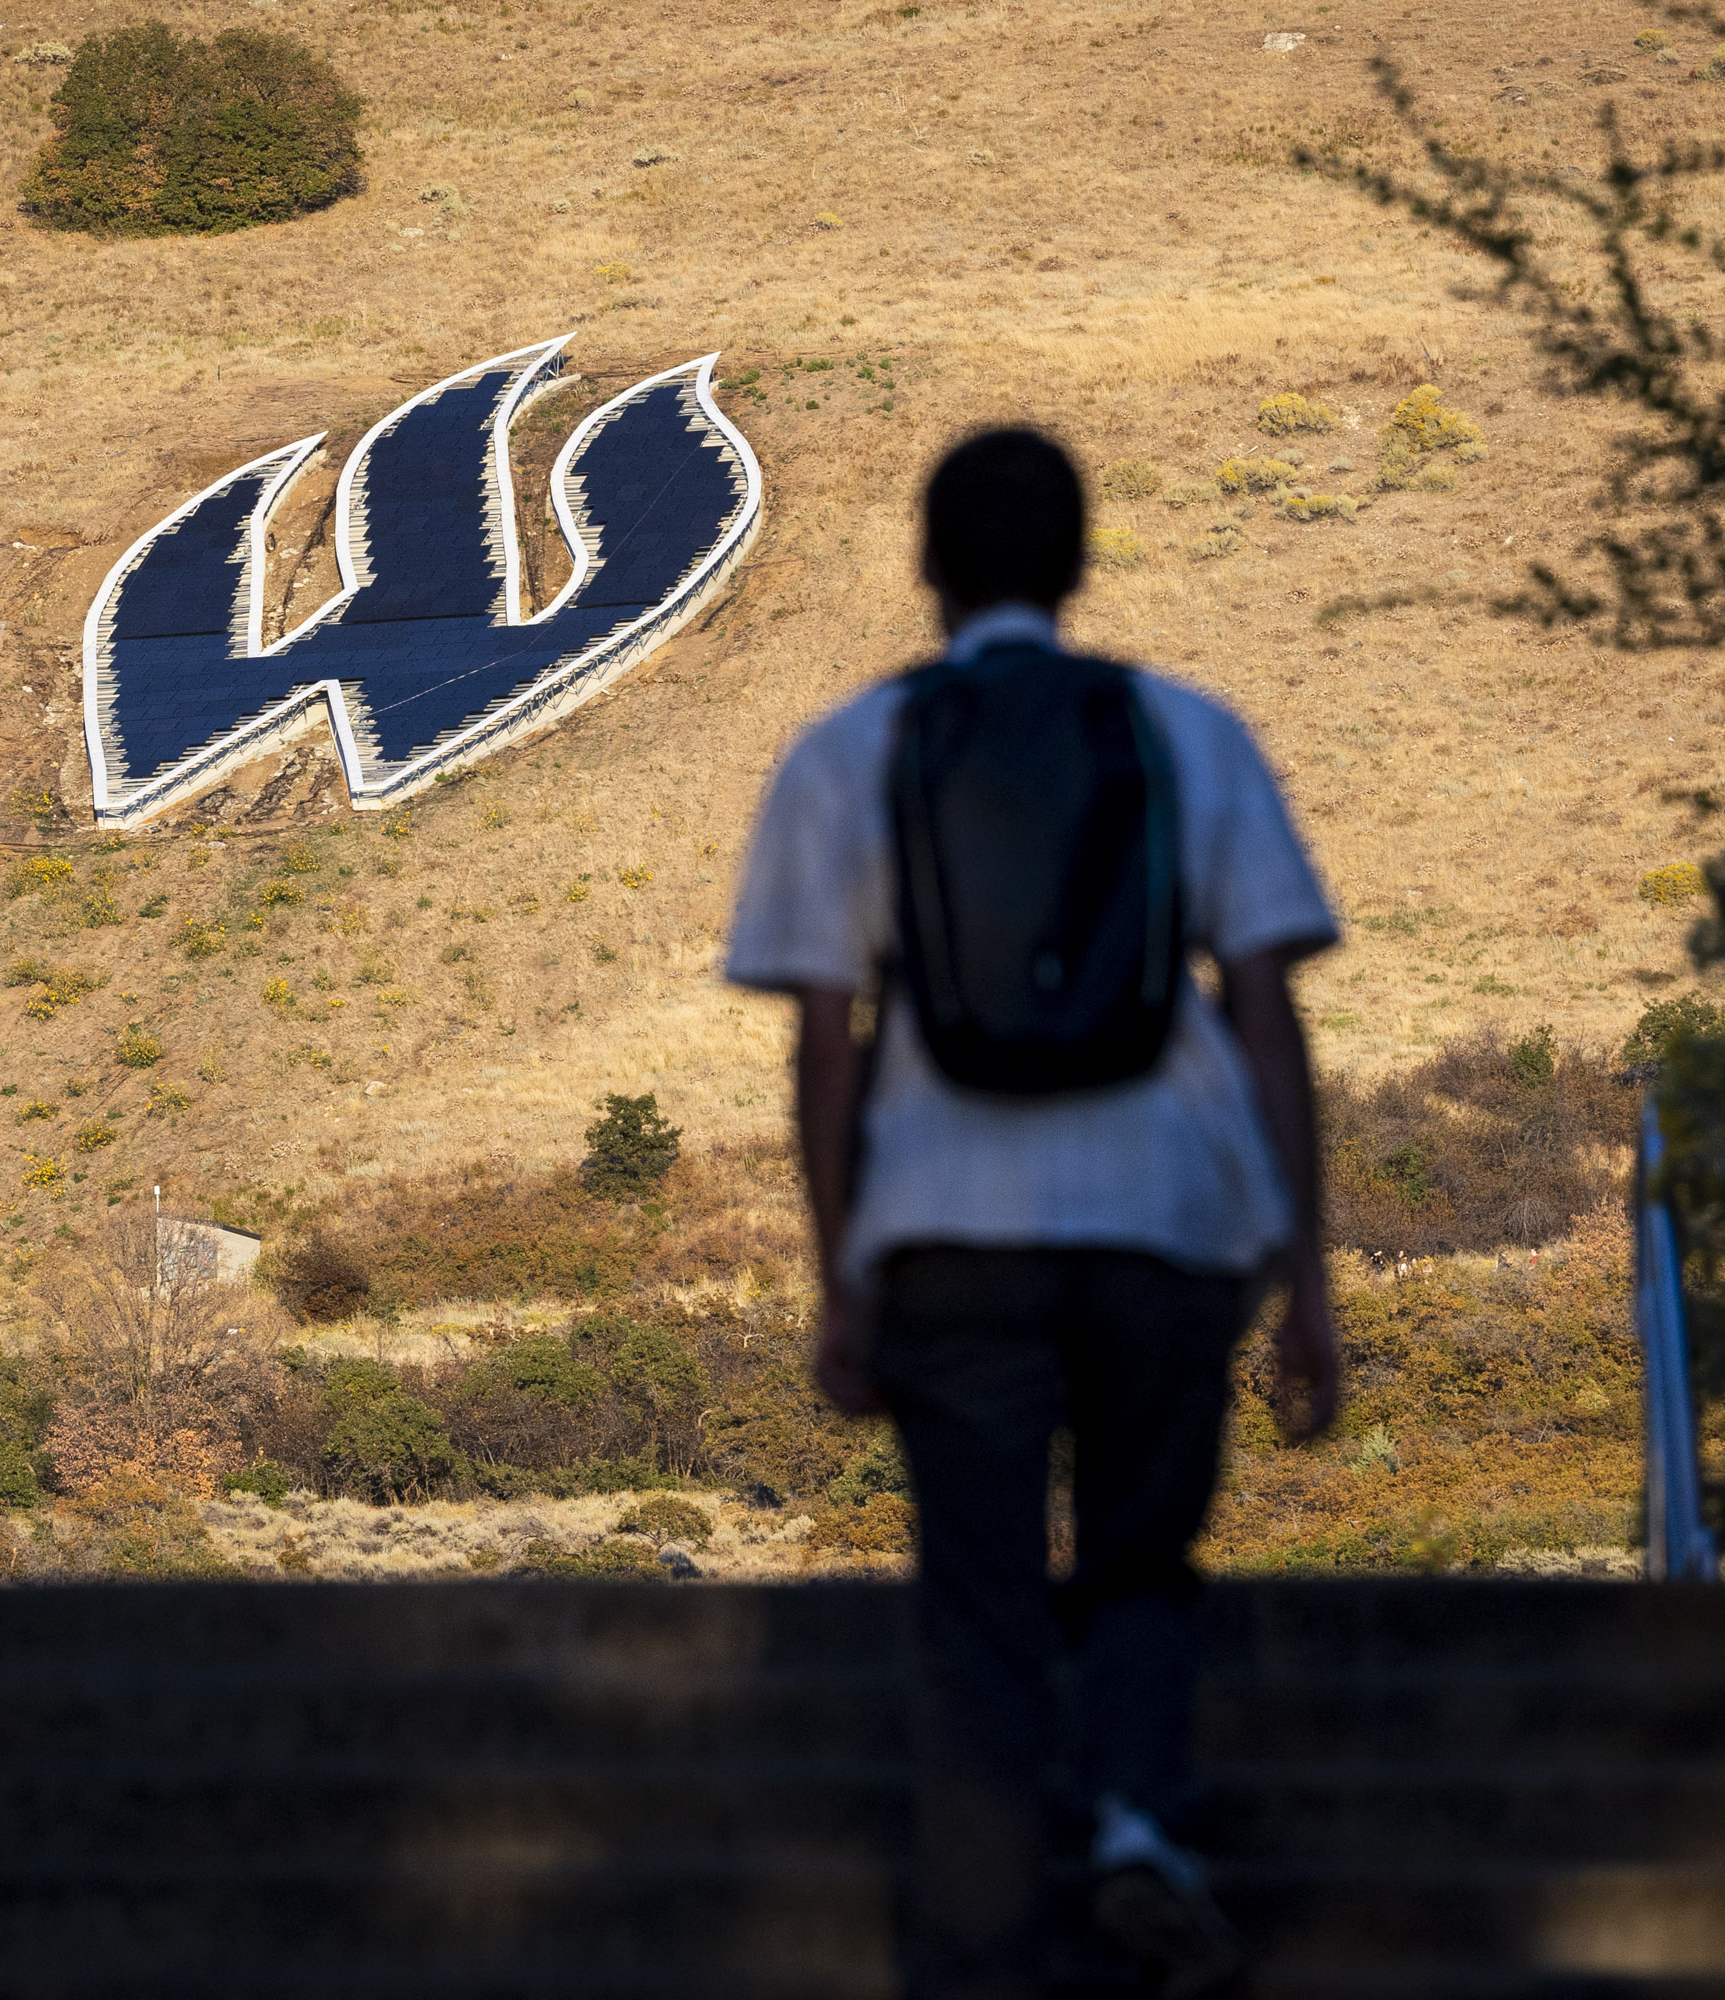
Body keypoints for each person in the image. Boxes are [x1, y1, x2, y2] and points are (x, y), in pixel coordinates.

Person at [723, 428, 1342, 2000]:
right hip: (1166, 1219)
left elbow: (824, 1043)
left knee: (982, 1596)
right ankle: (1139, 1822)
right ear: (1081, 564)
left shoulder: (849, 752)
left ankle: (984, 1939)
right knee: (1141, 1554)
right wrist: (1308, 1280)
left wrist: (841, 1274)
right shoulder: (1188, 733)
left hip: (948, 1227)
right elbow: (1265, 1011)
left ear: (926, 569)